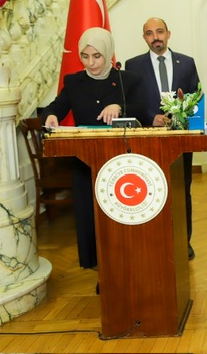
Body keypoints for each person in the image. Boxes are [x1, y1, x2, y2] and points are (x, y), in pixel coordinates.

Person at [42, 27, 149, 271]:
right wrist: (50, 117)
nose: (91, 63)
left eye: (97, 56)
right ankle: (98, 264)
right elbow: (54, 108)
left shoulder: (127, 80)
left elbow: (142, 111)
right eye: (85, 56)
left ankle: (126, 261)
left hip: (121, 161)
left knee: (120, 212)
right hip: (86, 160)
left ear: (108, 54)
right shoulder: (74, 82)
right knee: (90, 214)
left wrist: (119, 107)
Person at [125, 17, 200, 260]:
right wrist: (151, 117)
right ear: (144, 37)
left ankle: (184, 241)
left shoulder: (186, 63)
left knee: (181, 190)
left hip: (179, 138)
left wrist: (181, 115)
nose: (155, 37)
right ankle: (155, 242)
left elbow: (196, 98)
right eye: (149, 33)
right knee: (151, 191)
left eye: (159, 31)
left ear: (168, 33)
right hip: (148, 139)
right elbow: (131, 103)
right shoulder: (133, 65)